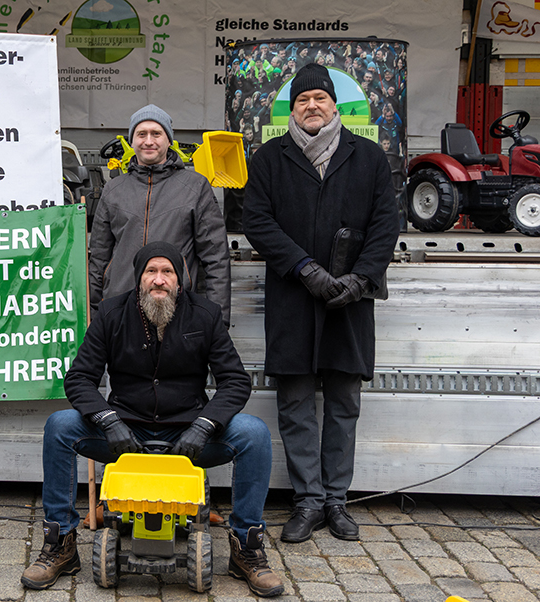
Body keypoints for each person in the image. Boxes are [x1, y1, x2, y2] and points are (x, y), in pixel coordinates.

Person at [21, 242, 283, 598]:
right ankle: (60, 544)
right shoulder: (112, 313)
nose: (159, 281)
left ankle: (247, 548)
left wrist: (205, 425)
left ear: (180, 279)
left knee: (254, 433)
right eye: (151, 272)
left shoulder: (205, 315)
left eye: (167, 272)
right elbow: (79, 379)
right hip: (124, 434)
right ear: (138, 278)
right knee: (60, 426)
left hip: (190, 437)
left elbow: (235, 381)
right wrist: (108, 420)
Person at [242, 63, 399, 543]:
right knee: (293, 403)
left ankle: (337, 500)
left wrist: (361, 278)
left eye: (320, 98)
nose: (312, 106)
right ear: (293, 108)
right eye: (303, 99)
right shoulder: (270, 157)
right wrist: (304, 267)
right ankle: (307, 501)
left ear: (335, 105)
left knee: (344, 402)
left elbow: (385, 226)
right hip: (293, 297)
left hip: (349, 302)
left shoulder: (369, 156)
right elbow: (256, 221)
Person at [89, 105, 230, 323]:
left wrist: (217, 321)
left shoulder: (195, 187)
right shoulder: (114, 190)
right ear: (132, 140)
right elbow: (99, 257)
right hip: (121, 311)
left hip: (176, 309)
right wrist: (94, 314)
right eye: (141, 134)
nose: (148, 141)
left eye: (156, 133)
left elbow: (216, 258)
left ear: (169, 139)